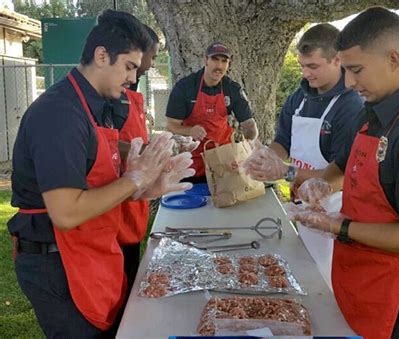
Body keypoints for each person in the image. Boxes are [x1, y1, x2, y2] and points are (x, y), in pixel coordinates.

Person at [7, 10, 194, 338]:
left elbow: (98, 167)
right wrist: (135, 180)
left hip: (90, 249)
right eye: (129, 67)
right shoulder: (60, 114)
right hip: (57, 262)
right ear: (101, 55)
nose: (132, 78)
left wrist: (145, 186)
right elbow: (66, 212)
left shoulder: (94, 104)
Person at [288, 7, 399, 339]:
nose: (349, 82)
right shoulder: (374, 108)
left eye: (356, 70)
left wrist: (338, 226)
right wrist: (321, 183)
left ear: (394, 58)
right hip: (360, 273)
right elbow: (343, 166)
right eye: (345, 70)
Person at [242, 24, 363, 286]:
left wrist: (286, 172)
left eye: (314, 66)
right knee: (305, 270)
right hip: (301, 201)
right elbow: (282, 142)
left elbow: (339, 176)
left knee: (327, 281)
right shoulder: (298, 98)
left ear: (337, 60)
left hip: (336, 208)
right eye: (302, 66)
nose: (306, 73)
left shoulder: (351, 105)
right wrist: (265, 158)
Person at [110, 23, 160, 294]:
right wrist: (145, 154)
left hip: (135, 197)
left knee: (130, 275)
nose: (150, 64)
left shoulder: (131, 91)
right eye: (151, 56)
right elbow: (105, 145)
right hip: (116, 200)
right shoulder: (110, 97)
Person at [166, 42, 258, 183]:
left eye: (224, 61)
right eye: (215, 59)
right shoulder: (185, 87)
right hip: (192, 162)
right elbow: (171, 126)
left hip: (223, 161)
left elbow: (249, 125)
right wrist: (190, 130)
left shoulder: (232, 89)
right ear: (205, 60)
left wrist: (248, 146)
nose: (219, 66)